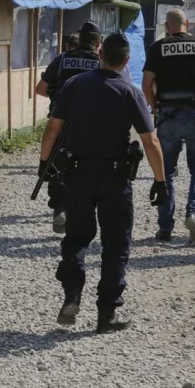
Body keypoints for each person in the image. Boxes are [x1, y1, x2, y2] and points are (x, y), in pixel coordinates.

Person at [39, 33, 166, 332]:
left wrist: (45, 164)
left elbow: (53, 128)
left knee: (76, 237)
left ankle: (72, 294)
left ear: (100, 54)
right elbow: (150, 141)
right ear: (126, 61)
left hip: (78, 175)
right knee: (116, 244)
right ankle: (107, 313)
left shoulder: (74, 85)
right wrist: (160, 180)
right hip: (115, 178)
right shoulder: (130, 92)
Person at [141, 8, 195, 243]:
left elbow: (146, 84)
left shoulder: (157, 48)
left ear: (167, 26)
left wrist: (155, 108)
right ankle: (194, 214)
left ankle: (165, 228)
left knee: (165, 170)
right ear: (187, 23)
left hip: (168, 115)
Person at [35, 21, 104, 233]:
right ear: (98, 42)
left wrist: (57, 97)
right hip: (91, 125)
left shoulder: (62, 59)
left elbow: (40, 89)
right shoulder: (100, 62)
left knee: (58, 164)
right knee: (90, 165)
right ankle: (83, 210)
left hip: (62, 122)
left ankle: (60, 209)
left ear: (79, 39)